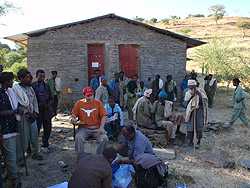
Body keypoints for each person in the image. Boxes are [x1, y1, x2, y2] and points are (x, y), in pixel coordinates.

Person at [118, 124, 167, 188]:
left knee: (136, 164)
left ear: (132, 134)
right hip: (135, 153)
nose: (125, 137)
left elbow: (135, 159)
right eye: (124, 135)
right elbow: (122, 145)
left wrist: (120, 160)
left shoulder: (139, 142)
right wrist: (115, 151)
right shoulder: (129, 135)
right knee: (121, 152)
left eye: (126, 136)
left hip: (145, 158)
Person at [13, 69, 43, 161]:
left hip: (32, 116)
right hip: (23, 118)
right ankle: (21, 158)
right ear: (21, 78)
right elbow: (17, 105)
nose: (30, 79)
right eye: (27, 77)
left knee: (34, 136)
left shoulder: (30, 88)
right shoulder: (16, 89)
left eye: (30, 77)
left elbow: (34, 101)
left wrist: (35, 113)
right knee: (24, 138)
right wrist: (27, 113)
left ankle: (35, 153)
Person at [71, 86, 108, 156]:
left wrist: (102, 127)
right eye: (88, 95)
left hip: (96, 128)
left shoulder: (98, 103)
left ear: (93, 94)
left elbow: (104, 115)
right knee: (78, 138)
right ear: (84, 95)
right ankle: (81, 157)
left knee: (104, 138)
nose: (89, 97)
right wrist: (73, 119)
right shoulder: (79, 103)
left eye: (91, 95)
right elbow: (73, 115)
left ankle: (99, 156)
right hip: (84, 128)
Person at [0, 72, 20, 187]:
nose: (12, 82)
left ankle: (9, 175)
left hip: (11, 127)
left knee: (10, 155)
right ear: (5, 82)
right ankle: (14, 179)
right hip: (5, 129)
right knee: (11, 156)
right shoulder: (1, 94)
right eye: (11, 80)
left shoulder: (8, 92)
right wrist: (14, 111)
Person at [32, 69, 53, 152]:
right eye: (40, 76)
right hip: (37, 112)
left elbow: (51, 98)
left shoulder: (47, 86)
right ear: (36, 76)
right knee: (36, 129)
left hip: (46, 111)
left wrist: (48, 104)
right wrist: (37, 105)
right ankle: (34, 146)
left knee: (47, 128)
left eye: (43, 76)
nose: (42, 78)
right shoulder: (33, 86)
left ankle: (45, 143)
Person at [184, 80, 208, 149]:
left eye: (192, 87)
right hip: (191, 113)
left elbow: (204, 102)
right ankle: (190, 141)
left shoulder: (201, 92)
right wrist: (191, 102)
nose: (191, 88)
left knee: (199, 127)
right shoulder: (187, 93)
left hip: (199, 112)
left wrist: (199, 95)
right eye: (190, 87)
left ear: (195, 86)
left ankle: (198, 142)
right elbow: (185, 104)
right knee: (190, 127)